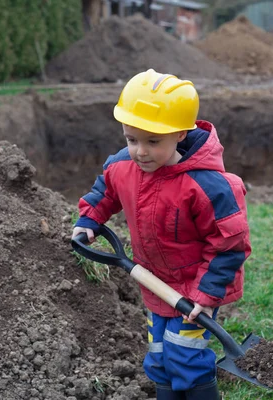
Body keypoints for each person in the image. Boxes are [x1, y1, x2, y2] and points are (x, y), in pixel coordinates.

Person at [71, 69, 251, 400]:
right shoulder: (123, 165)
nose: (140, 151)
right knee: (159, 357)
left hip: (196, 289)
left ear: (181, 133)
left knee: (185, 354)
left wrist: (207, 294)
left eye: (153, 141)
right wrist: (90, 218)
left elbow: (229, 245)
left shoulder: (207, 186)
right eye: (131, 139)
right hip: (155, 283)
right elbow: (106, 190)